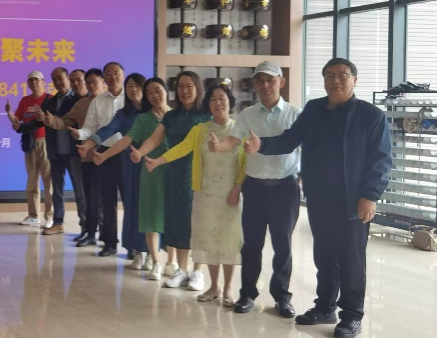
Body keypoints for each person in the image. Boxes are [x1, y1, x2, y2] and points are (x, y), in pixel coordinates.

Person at [244, 58, 391, 338]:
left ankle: (352, 316)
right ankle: (325, 307)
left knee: (351, 259)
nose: (336, 81)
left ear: (355, 79)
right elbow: (290, 138)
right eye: (330, 75)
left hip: (353, 200)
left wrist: (369, 196)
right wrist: (262, 144)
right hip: (319, 198)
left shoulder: (370, 115)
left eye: (343, 75)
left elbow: (381, 160)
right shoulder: (314, 109)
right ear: (323, 80)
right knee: (324, 255)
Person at [211, 61, 301, 318]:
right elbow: (232, 139)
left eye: (270, 80)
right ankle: (247, 294)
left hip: (285, 188)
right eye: (260, 80)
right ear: (255, 84)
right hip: (255, 188)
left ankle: (282, 297)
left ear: (281, 82)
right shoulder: (247, 115)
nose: (265, 85)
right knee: (251, 244)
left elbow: (308, 147)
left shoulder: (296, 114)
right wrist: (219, 146)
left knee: (283, 246)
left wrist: (303, 176)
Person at [143, 84, 246, 307]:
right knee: (209, 238)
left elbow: (245, 163)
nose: (218, 103)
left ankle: (228, 288)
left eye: (222, 98)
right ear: (208, 104)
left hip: (230, 194)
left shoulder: (239, 129)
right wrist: (158, 161)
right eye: (213, 99)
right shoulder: (200, 129)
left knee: (228, 239)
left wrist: (237, 187)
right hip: (205, 194)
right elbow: (182, 148)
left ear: (230, 102)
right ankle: (214, 286)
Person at [131, 71, 209, 290]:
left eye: (189, 86)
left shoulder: (206, 115)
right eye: (180, 87)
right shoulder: (171, 116)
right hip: (174, 174)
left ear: (198, 88)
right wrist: (140, 153)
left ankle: (197, 271)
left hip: (201, 174)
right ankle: (181, 270)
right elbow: (154, 138)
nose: (184, 91)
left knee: (198, 223)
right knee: (177, 221)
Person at [93, 77, 170, 280]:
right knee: (147, 214)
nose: (154, 96)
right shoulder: (143, 118)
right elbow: (126, 139)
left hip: (174, 173)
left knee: (171, 217)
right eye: (150, 92)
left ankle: (173, 263)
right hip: (149, 171)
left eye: (157, 91)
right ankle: (148, 256)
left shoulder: (175, 116)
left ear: (166, 91)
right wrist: (104, 154)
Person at [75, 73, 148, 263]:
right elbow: (108, 130)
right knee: (116, 202)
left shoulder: (151, 111)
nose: (133, 90)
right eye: (129, 86)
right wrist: (89, 144)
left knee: (140, 205)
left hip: (149, 162)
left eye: (137, 86)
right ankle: (121, 245)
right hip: (124, 158)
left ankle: (145, 248)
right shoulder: (123, 114)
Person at [69, 62, 126, 256]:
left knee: (130, 200)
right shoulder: (98, 101)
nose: (113, 77)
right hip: (105, 153)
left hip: (128, 153)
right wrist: (80, 135)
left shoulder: (131, 98)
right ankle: (109, 243)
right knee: (107, 200)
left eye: (116, 73)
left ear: (123, 75)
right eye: (108, 73)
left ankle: (135, 246)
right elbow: (90, 127)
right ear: (104, 78)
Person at [16, 67, 81, 235]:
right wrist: (20, 128)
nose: (58, 82)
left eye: (61, 78)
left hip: (74, 151)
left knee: (80, 191)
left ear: (67, 79)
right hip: (54, 150)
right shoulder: (50, 102)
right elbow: (39, 122)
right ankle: (57, 222)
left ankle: (86, 228)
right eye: (55, 79)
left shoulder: (78, 99)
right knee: (56, 189)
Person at [43, 68, 106, 241]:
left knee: (102, 197)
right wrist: (51, 121)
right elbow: (65, 122)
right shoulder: (79, 104)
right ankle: (88, 230)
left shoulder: (110, 101)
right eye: (74, 81)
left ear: (101, 82)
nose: (77, 84)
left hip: (108, 154)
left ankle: (106, 234)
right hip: (83, 155)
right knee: (85, 194)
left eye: (81, 80)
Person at [5, 71, 52, 228]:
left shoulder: (49, 99)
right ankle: (33, 215)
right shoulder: (25, 100)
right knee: (32, 181)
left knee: (49, 181)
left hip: (46, 142)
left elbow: (53, 121)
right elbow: (17, 123)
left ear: (43, 81)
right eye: (31, 80)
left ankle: (50, 216)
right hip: (30, 143)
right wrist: (9, 113)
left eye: (36, 80)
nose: (34, 83)